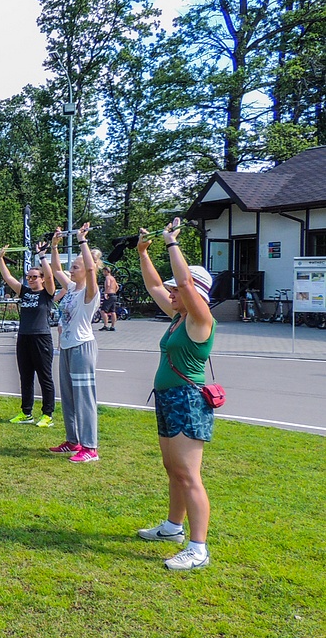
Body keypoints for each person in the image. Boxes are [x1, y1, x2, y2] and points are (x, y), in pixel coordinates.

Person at [136, 218, 217, 571]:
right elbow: (155, 284)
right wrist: (142, 252)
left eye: (177, 290)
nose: (170, 293)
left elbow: (183, 280)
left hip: (188, 400)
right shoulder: (178, 317)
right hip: (169, 399)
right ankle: (172, 528)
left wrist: (171, 243)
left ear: (193, 293)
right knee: (173, 468)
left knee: (188, 474)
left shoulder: (201, 320)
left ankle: (198, 548)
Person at [48, 224, 102, 463]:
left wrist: (82, 241)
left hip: (83, 347)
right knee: (68, 397)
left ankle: (90, 448)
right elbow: (55, 268)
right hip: (67, 347)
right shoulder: (70, 289)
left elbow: (91, 268)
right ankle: (73, 441)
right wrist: (54, 246)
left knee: (84, 398)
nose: (71, 270)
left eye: (75, 266)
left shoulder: (89, 293)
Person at [0, 243, 57, 428]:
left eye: (34, 277)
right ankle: (26, 412)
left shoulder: (47, 293)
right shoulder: (25, 292)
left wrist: (42, 257)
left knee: (45, 377)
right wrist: (0, 258)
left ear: (41, 279)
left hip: (41, 338)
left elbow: (49, 275)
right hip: (23, 337)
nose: (30, 279)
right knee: (26, 377)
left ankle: (47, 415)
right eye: (28, 277)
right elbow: (8, 277)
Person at [100, 267, 119, 331]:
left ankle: (105, 325)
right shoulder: (113, 278)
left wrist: (106, 293)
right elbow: (117, 287)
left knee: (103, 311)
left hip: (109, 295)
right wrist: (114, 292)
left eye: (103, 271)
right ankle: (112, 326)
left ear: (106, 271)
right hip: (113, 295)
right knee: (112, 311)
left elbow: (108, 285)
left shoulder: (107, 277)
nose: (103, 273)